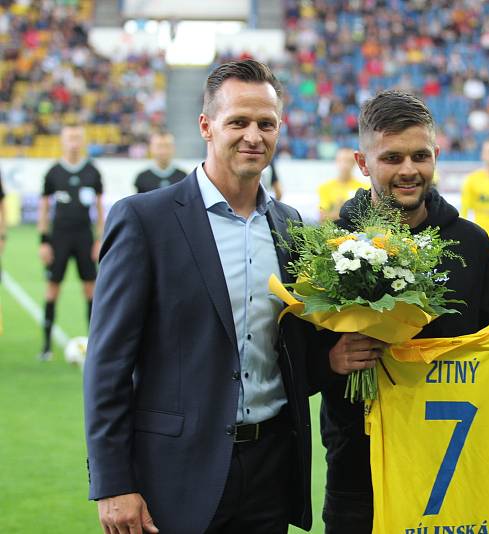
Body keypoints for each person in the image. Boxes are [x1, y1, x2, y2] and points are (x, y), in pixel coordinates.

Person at [84, 60, 333, 534]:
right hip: (176, 474)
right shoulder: (144, 220)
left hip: (271, 470)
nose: (253, 136)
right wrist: (114, 482)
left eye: (266, 124)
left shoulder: (291, 227)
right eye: (238, 122)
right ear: (206, 126)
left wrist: (339, 354)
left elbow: (289, 355)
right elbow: (108, 362)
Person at [320, 89, 489, 534]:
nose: (409, 170)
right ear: (362, 162)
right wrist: (331, 361)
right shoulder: (332, 247)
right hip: (359, 477)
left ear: (436, 155)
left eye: (420, 155)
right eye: (392, 157)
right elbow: (295, 363)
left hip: (458, 477)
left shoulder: (470, 243)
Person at [37, 124, 104, 361]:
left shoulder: (92, 171)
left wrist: (100, 240)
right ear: (62, 141)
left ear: (83, 141)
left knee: (91, 289)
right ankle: (45, 346)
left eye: (77, 138)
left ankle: (95, 344)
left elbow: (99, 207)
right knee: (53, 287)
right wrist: (43, 241)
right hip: (59, 238)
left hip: (85, 237)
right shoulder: (54, 172)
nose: (74, 142)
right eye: (70, 138)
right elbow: (44, 207)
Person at [318, 146, 367, 221]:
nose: (344, 165)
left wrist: (337, 212)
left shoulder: (364, 187)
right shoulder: (325, 187)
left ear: (355, 163)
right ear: (336, 162)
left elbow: (366, 217)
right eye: (341, 160)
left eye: (348, 161)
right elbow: (322, 217)